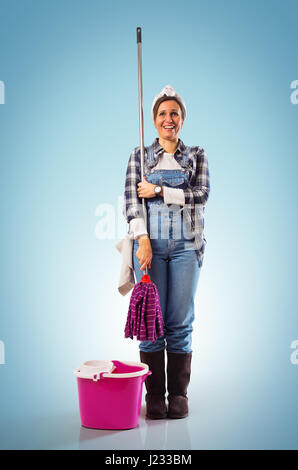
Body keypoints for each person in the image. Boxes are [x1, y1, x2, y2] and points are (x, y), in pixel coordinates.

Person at [123, 85, 210, 419]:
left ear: (182, 119)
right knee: (151, 322)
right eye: (162, 113)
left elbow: (200, 195)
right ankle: (155, 396)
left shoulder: (196, 155)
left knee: (179, 320)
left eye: (174, 113)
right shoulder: (139, 157)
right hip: (151, 247)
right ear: (154, 119)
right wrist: (142, 238)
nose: (168, 119)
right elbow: (132, 203)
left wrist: (159, 189)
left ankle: (179, 395)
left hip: (188, 245)